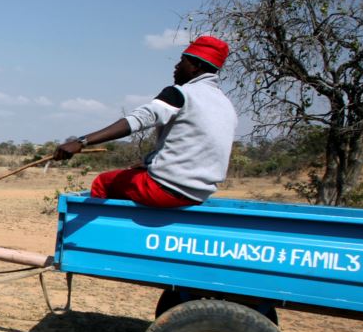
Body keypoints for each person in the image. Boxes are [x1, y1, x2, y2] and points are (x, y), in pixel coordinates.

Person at [54, 35, 238, 207]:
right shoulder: (225, 104)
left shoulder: (180, 93)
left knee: (103, 182)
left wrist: (82, 142)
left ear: (195, 66)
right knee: (133, 175)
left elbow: (137, 120)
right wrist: (149, 164)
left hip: (166, 189)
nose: (176, 67)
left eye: (182, 61)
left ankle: (105, 238)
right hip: (198, 195)